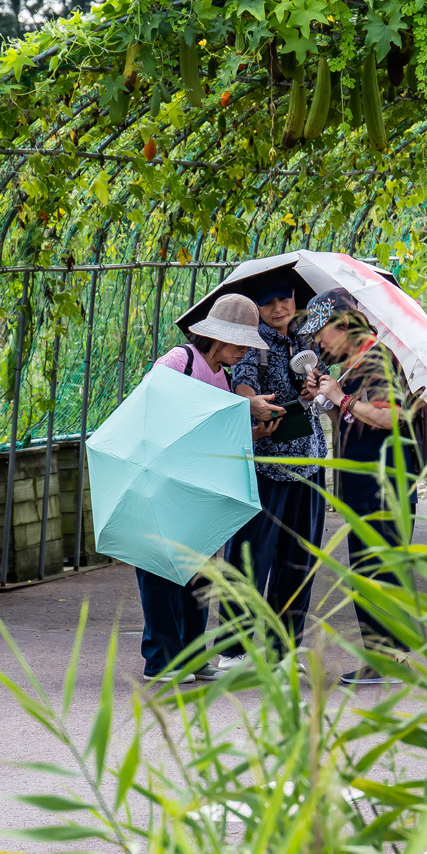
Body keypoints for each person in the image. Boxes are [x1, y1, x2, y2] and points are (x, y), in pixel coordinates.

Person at [139, 293, 285, 683]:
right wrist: (241, 410)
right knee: (161, 571)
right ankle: (160, 661)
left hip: (200, 488)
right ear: (216, 338)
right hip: (167, 483)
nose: (242, 354)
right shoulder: (179, 361)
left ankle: (191, 657)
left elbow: (215, 432)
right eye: (239, 345)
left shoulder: (222, 375)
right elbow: (153, 407)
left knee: (199, 573)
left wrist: (253, 431)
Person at [294, 288, 423, 686]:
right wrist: (328, 401)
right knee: (367, 569)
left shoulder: (376, 359)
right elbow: (351, 424)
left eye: (322, 333)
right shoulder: (353, 363)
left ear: (344, 323)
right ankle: (382, 658)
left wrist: (342, 399)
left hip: (384, 482)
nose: (317, 342)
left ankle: (391, 661)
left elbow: (394, 417)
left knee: (380, 569)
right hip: (364, 482)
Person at [221, 281, 328, 660]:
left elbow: (327, 394)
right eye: (268, 303)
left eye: (284, 299)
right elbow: (242, 385)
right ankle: (234, 650)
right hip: (267, 465)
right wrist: (254, 405)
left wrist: (317, 391)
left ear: (295, 300)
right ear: (257, 308)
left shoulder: (308, 340)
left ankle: (284, 647)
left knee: (300, 558)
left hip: (310, 461)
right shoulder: (253, 343)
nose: (279, 308)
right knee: (251, 555)